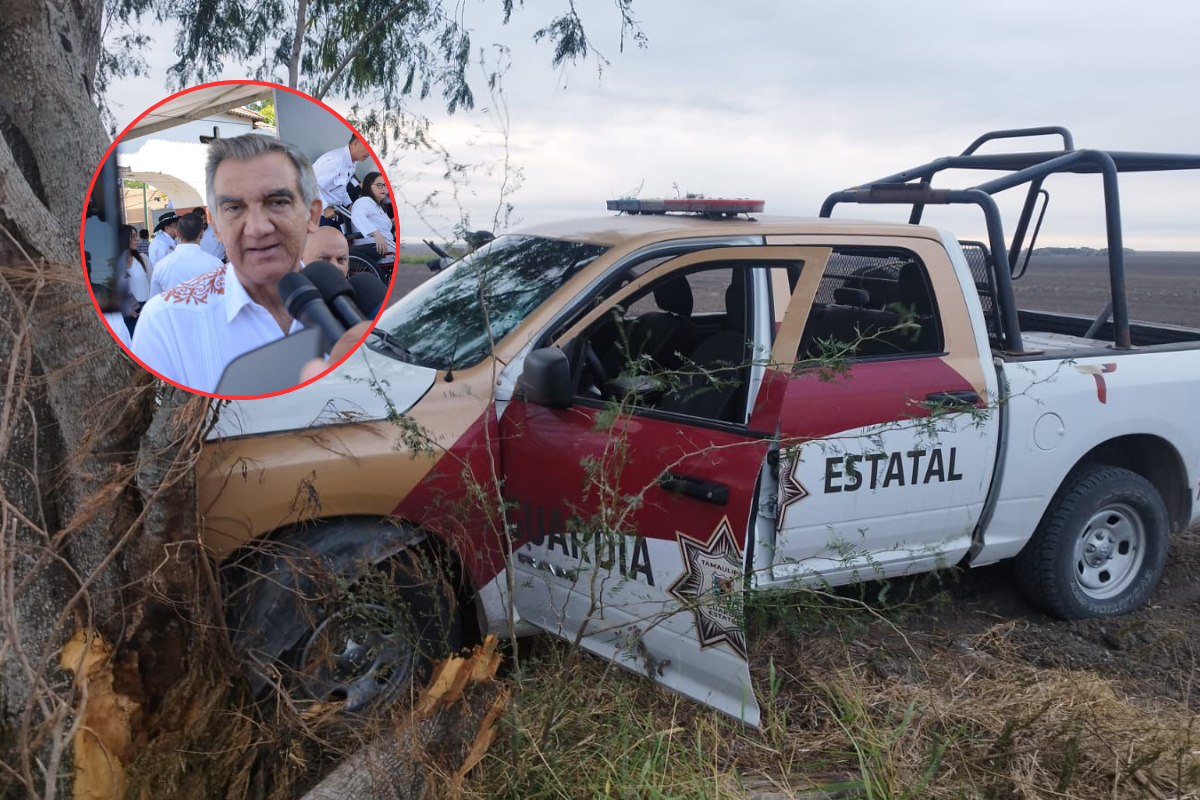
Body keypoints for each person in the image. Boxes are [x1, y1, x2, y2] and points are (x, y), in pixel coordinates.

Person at [132, 134, 323, 393]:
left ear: (311, 215)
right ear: (216, 226)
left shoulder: (350, 310)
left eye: (277, 202)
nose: (257, 228)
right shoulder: (166, 324)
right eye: (234, 208)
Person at [149, 212, 223, 295]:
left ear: (178, 233)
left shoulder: (161, 266)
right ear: (202, 234)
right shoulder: (216, 264)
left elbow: (154, 300)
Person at [312, 134, 371, 228]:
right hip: (318, 216)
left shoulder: (352, 163)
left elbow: (341, 189)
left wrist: (349, 205)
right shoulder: (335, 161)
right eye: (368, 149)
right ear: (355, 143)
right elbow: (311, 186)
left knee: (341, 241)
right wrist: (325, 208)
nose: (370, 153)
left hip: (331, 215)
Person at [349, 170, 395, 263]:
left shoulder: (377, 205)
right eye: (379, 185)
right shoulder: (365, 201)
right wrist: (376, 233)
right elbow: (357, 216)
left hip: (387, 246)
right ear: (368, 187)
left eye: (385, 185)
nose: (383, 188)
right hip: (374, 248)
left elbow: (381, 224)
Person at [119, 223, 151, 335]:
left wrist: (148, 306)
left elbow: (152, 283)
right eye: (133, 236)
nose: (137, 239)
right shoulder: (114, 263)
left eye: (136, 235)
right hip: (125, 313)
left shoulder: (143, 259)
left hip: (144, 309)